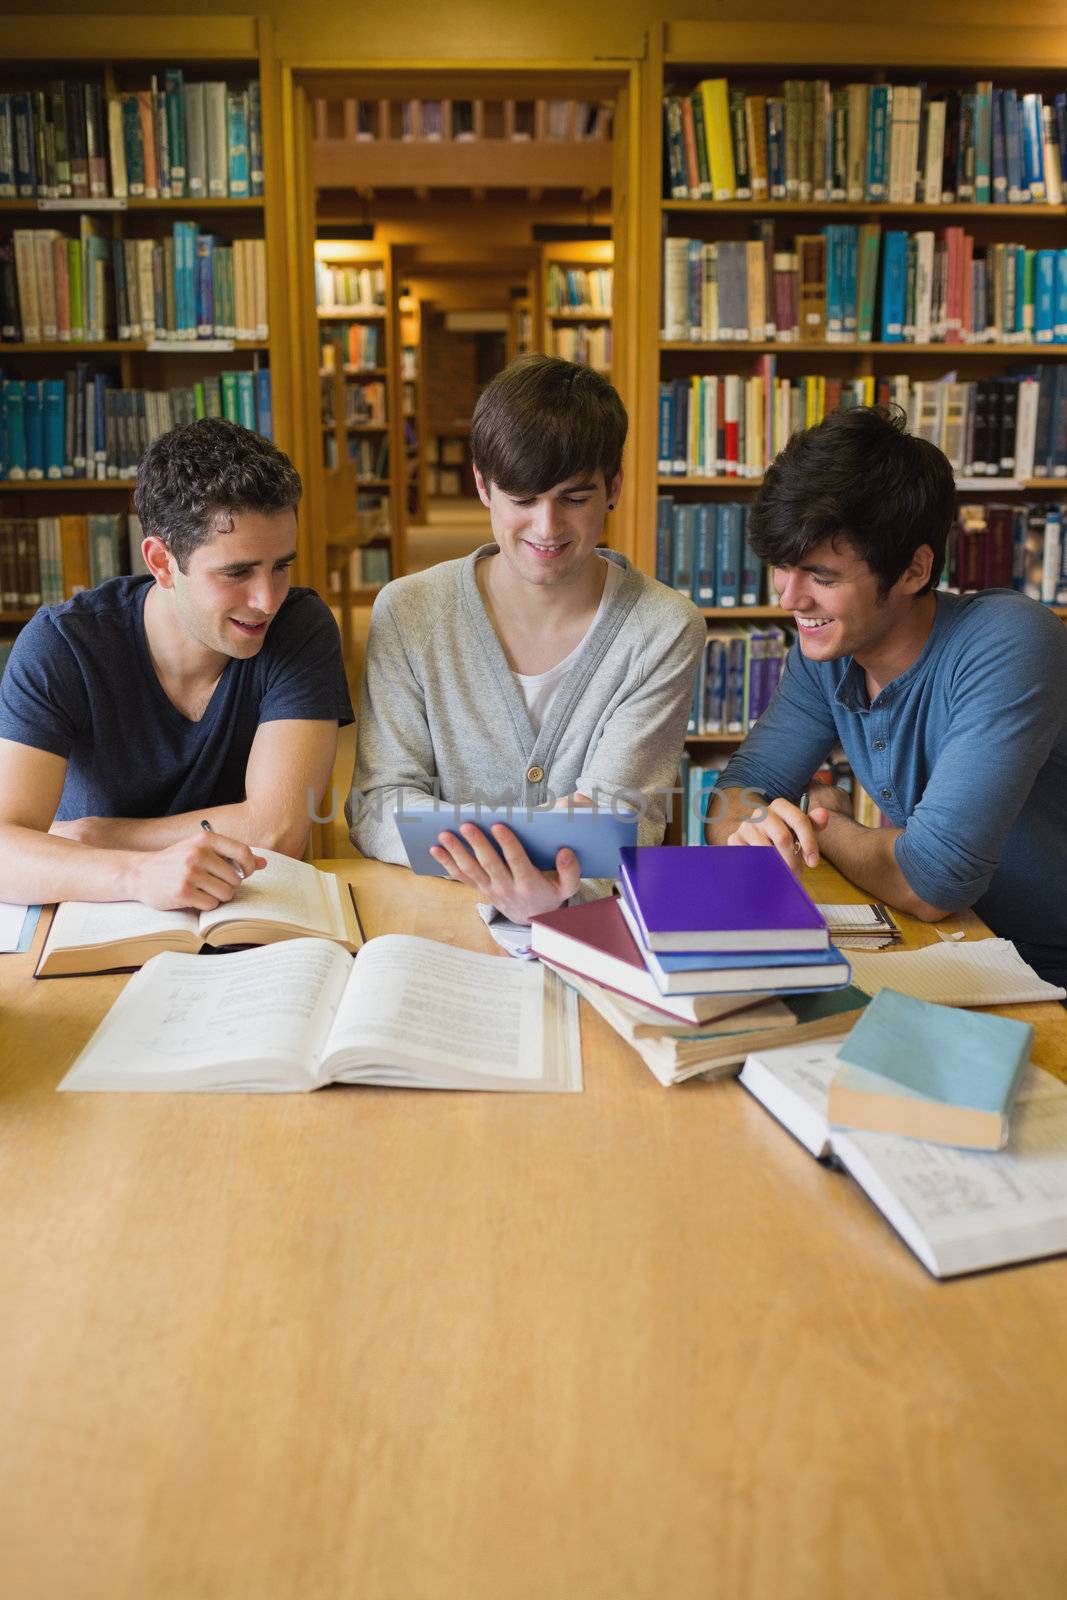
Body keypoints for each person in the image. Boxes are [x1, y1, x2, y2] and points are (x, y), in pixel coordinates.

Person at [707, 404, 1067, 987]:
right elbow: (729, 796)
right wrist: (752, 828)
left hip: (1047, 974)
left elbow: (931, 882)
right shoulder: (825, 652)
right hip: (955, 955)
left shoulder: (1011, 640)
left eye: (822, 577)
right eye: (783, 568)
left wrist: (821, 825)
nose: (790, 599)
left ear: (913, 570)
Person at [350, 353, 706, 925]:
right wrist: (519, 861)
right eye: (522, 499)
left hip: (587, 924)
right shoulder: (409, 611)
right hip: (440, 916)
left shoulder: (663, 628)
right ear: (482, 485)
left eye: (574, 497)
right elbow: (378, 804)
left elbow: (626, 819)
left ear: (613, 487)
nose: (547, 528)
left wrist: (553, 889)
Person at [0, 417, 353, 911]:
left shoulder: (300, 625)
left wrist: (94, 835)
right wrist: (138, 875)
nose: (268, 599)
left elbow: (276, 831)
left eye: (281, 566)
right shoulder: (62, 646)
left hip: (247, 916)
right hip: (95, 913)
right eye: (237, 572)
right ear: (162, 563)